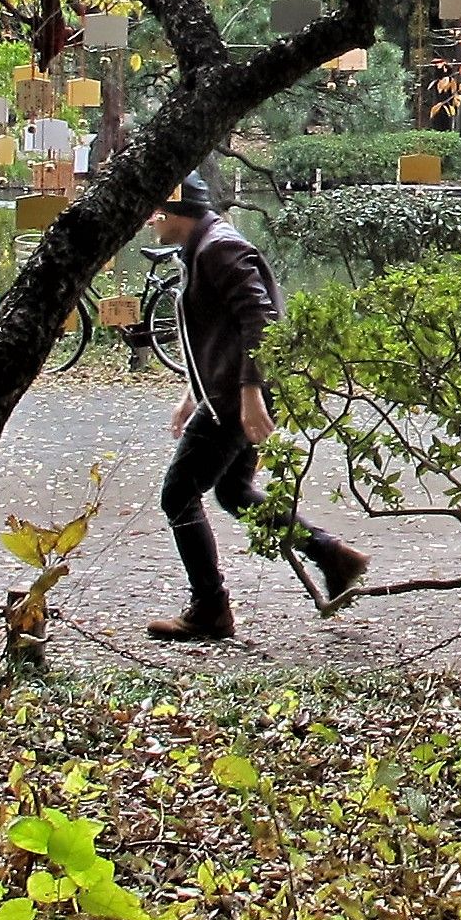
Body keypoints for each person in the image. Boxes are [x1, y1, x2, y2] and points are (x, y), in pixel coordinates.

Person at [144, 173, 368, 642]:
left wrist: (249, 393)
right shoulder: (203, 246)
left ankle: (210, 608)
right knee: (233, 492)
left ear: (175, 212)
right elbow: (220, 329)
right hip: (226, 393)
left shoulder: (219, 249)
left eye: (156, 212)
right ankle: (332, 554)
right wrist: (193, 391)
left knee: (178, 494)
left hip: (236, 398)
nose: (150, 222)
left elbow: (259, 318)